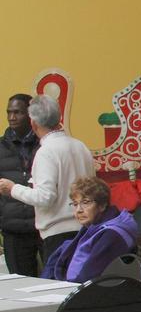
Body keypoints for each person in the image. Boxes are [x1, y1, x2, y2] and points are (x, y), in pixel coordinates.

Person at [0, 95, 95, 261]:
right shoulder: (81, 147)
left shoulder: (46, 152)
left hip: (58, 232)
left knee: (57, 284)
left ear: (33, 123)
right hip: (85, 228)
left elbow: (45, 197)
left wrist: (12, 189)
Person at [42, 177, 138, 283]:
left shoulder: (112, 234)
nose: (79, 210)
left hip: (95, 294)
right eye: (75, 204)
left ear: (102, 205)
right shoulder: (94, 225)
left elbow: (89, 278)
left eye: (86, 202)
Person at [0, 94, 42, 275]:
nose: (11, 117)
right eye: (9, 112)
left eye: (18, 112)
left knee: (57, 282)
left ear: (31, 114)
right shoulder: (1, 147)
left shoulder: (45, 144)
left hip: (43, 226)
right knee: (22, 283)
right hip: (13, 229)